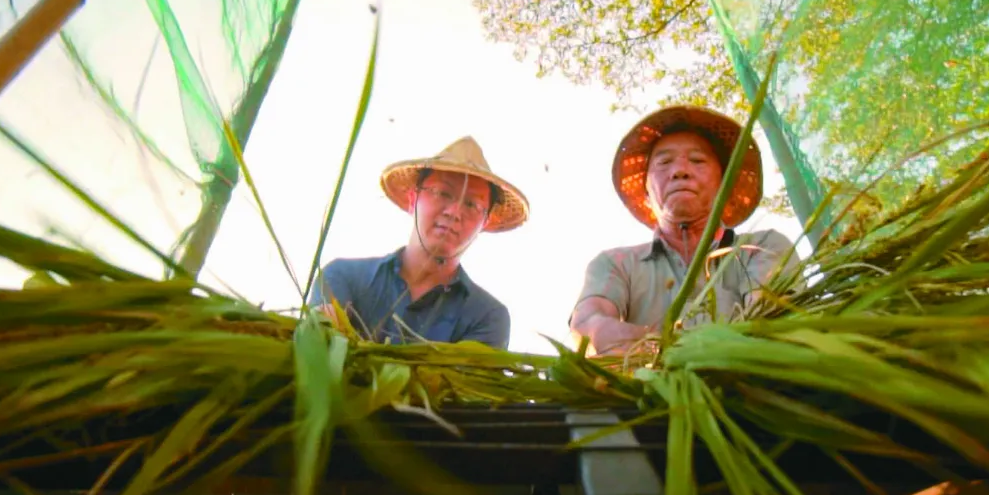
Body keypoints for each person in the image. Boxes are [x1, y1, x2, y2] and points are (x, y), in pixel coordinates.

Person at [570, 105, 802, 355]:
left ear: (723, 182)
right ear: (646, 190)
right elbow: (588, 322)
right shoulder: (616, 264)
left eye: (698, 160)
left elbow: (769, 319)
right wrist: (626, 341)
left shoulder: (762, 247)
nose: (680, 171)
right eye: (664, 162)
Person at [309, 136, 528, 349]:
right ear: (413, 200)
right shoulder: (342, 277)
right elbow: (322, 352)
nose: (454, 212)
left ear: (485, 222)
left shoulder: (487, 318)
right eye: (443, 193)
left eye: (471, 204)